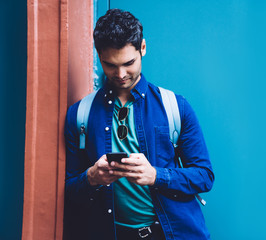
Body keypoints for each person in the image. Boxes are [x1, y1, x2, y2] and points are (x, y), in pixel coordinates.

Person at [64, 8, 214, 240]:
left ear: (142, 48)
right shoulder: (79, 114)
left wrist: (156, 175)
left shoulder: (176, 107)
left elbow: (204, 176)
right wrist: (92, 177)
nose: (121, 73)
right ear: (98, 54)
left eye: (129, 62)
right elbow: (69, 189)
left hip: (171, 233)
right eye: (110, 64)